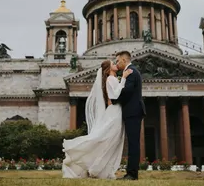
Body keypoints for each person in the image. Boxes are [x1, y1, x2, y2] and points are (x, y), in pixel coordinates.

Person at [62, 59, 133, 179]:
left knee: (110, 141)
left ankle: (100, 169)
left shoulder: (113, 79)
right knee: (107, 140)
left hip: (115, 111)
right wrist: (124, 78)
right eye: (113, 64)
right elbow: (115, 95)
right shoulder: (111, 79)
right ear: (109, 69)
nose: (116, 64)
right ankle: (93, 165)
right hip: (114, 112)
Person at [111, 50, 146, 180]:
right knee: (133, 143)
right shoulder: (131, 71)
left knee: (133, 144)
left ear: (124, 60)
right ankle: (131, 173)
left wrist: (114, 100)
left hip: (133, 112)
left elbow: (128, 91)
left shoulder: (131, 71)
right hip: (133, 111)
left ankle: (132, 174)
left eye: (118, 61)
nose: (117, 63)